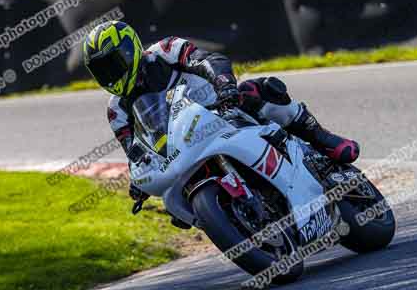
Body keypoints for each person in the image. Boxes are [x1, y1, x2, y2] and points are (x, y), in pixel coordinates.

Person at [83, 20, 360, 204]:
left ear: (130, 49)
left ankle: (321, 138)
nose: (110, 74)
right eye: (102, 70)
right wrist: (139, 182)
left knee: (258, 90)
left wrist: (225, 85)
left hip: (220, 108)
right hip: (182, 147)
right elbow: (133, 150)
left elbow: (207, 60)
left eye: (113, 64)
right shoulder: (116, 109)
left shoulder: (165, 51)